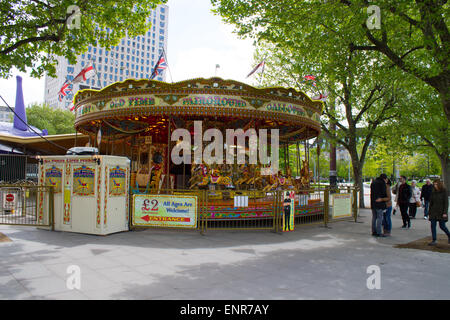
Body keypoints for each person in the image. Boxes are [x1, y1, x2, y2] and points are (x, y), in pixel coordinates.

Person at [427, 179, 450, 246]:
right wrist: (429, 212)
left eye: (436, 184)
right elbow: (431, 203)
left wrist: (445, 212)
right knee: (433, 225)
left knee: (442, 226)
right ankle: (434, 240)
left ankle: (449, 235)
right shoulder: (433, 192)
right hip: (433, 212)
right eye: (434, 184)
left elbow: (446, 203)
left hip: (441, 212)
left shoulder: (444, 191)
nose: (435, 186)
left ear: (439, 184)